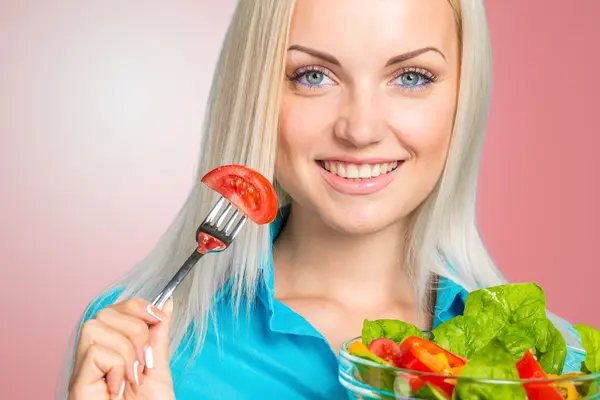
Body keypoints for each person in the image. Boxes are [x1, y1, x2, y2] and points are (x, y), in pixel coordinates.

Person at [59, 0, 585, 399]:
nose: (360, 129)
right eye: (313, 75)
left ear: (462, 99)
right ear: (258, 93)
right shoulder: (144, 350)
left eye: (411, 77)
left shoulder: (557, 370)